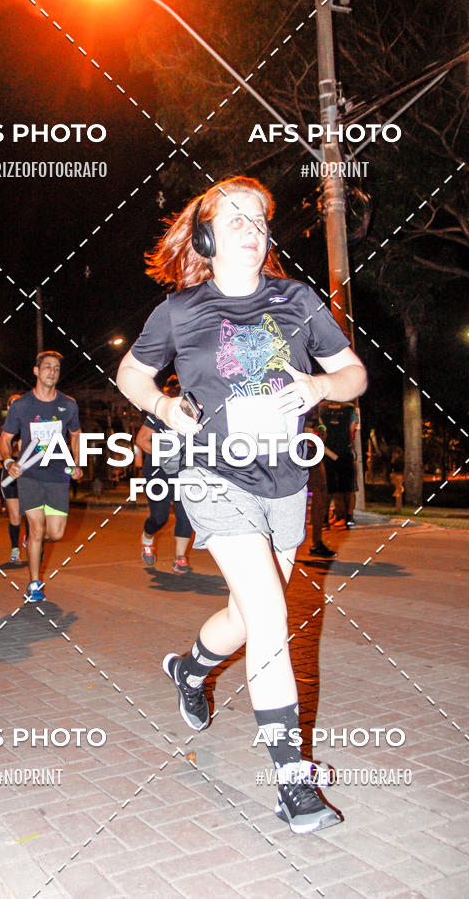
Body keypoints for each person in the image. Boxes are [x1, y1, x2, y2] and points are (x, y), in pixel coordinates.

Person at [117, 176, 367, 832]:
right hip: (211, 476)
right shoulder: (179, 310)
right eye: (234, 219)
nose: (251, 227)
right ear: (205, 236)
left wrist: (317, 385)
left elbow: (354, 374)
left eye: (259, 217)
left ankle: (190, 669)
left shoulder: (296, 298)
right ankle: (293, 782)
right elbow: (132, 377)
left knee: (248, 614)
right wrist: (165, 405)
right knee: (269, 613)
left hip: (286, 480)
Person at [0, 351, 82, 602]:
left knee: (55, 533)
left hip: (58, 474)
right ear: (36, 371)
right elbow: (5, 439)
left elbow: (76, 434)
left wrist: (76, 463)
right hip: (30, 475)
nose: (52, 372)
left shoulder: (68, 404)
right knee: (37, 530)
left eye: (56, 368)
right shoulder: (21, 405)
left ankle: (32, 539)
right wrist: (9, 461)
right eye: (47, 367)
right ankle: (34, 584)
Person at [136, 374, 194, 574]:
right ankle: (147, 538)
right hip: (157, 473)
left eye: (180, 387)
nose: (176, 391)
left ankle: (180, 558)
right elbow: (142, 440)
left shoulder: (195, 413)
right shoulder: (158, 414)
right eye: (172, 388)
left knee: (185, 515)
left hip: (184, 473)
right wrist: (164, 455)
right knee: (159, 517)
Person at [0, 393, 24, 564]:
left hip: (29, 476)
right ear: (8, 408)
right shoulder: (3, 430)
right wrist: (11, 451)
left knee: (34, 514)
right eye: (13, 404)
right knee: (15, 517)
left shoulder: (30, 427)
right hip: (11, 476)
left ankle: (30, 539)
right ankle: (15, 550)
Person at [321, 401, 358, 528]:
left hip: (328, 451)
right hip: (345, 450)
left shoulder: (322, 407)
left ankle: (325, 519)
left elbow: (321, 429)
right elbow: (352, 428)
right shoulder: (350, 408)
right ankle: (349, 518)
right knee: (349, 488)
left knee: (328, 488)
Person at [305, 412, 336, 559]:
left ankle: (316, 542)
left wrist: (321, 431)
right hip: (292, 458)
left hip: (313, 458)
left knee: (320, 497)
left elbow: (321, 426)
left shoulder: (317, 409)